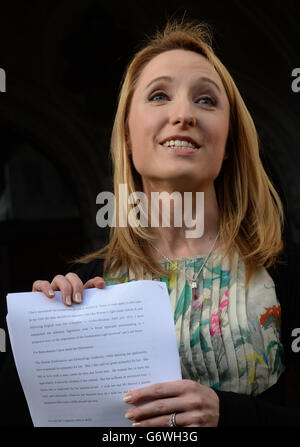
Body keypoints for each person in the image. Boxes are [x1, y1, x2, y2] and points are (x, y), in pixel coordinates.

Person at [31, 19, 300, 426]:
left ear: (228, 143)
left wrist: (228, 415)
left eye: (206, 101)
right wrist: (43, 339)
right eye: (159, 95)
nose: (183, 114)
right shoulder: (86, 290)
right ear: (127, 135)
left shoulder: (286, 275)